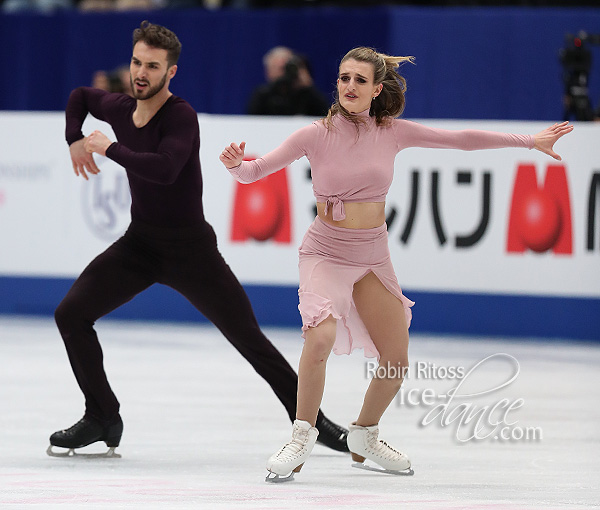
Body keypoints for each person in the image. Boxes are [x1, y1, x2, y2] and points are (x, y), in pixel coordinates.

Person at [220, 46, 574, 481]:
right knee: (320, 339)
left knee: (396, 359)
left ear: (376, 89)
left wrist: (529, 141)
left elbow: (460, 141)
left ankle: (364, 434)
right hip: (325, 251)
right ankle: (301, 434)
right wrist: (238, 166)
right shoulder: (314, 134)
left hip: (372, 254)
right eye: (344, 77)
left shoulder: (391, 131)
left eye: (359, 80)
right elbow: (256, 172)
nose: (349, 86)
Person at [48, 21, 349, 458]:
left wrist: (106, 148)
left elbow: (165, 168)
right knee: (71, 314)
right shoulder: (118, 106)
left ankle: (313, 422)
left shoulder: (181, 116)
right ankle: (102, 417)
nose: (140, 73)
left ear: (171, 72)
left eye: (152, 66)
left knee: (250, 340)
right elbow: (80, 96)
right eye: (136, 62)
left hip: (191, 252)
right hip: (139, 246)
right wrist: (74, 137)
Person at [247, 46, 330, 116]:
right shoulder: (263, 95)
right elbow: (253, 122)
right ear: (268, 72)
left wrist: (308, 87)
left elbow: (325, 116)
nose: (284, 73)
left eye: (287, 68)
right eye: (280, 68)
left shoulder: (306, 94)